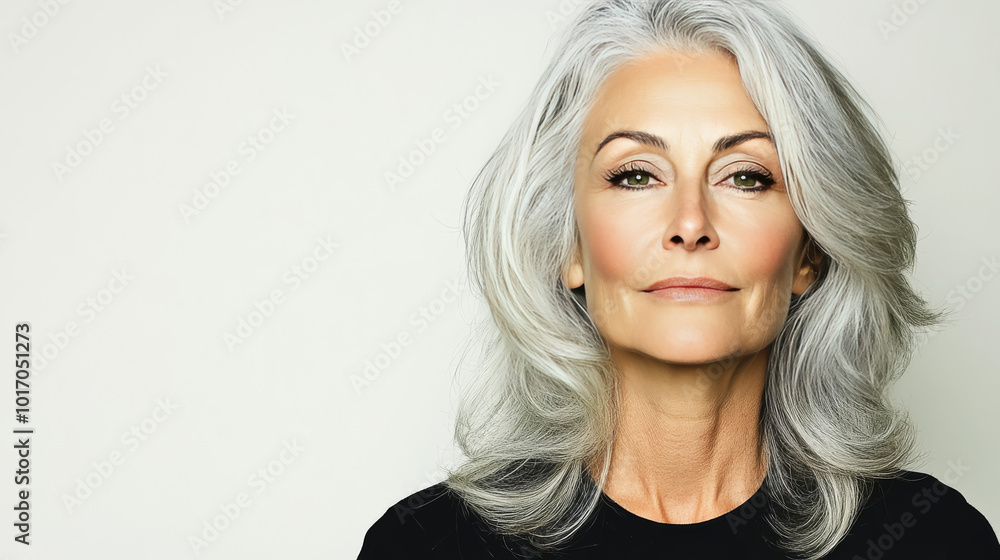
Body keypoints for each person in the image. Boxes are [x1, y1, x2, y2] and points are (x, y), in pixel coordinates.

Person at [358, 0, 1000, 558]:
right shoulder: (425, 545)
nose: (690, 224)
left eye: (746, 176)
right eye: (636, 175)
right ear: (568, 245)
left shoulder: (935, 540)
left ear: (810, 252)